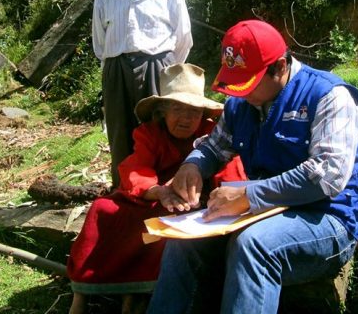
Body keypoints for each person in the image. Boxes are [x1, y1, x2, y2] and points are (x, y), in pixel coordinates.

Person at [147, 20, 358, 314]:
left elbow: (327, 175)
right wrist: (193, 166)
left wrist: (248, 197)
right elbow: (214, 147)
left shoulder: (329, 95)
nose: (240, 93)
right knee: (183, 242)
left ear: (279, 67)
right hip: (260, 213)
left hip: (327, 218)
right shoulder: (240, 105)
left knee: (255, 245)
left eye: (248, 84)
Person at [67, 63, 245, 314]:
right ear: (162, 111)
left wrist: (217, 196)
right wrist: (159, 191)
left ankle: (142, 293)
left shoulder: (212, 134)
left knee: (171, 221)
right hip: (153, 196)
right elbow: (137, 169)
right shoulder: (149, 133)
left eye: (193, 111)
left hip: (196, 205)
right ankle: (83, 292)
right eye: (177, 109)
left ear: (203, 113)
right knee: (103, 208)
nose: (186, 119)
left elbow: (230, 171)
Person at [91, 0, 193, 187]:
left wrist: (166, 72)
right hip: (116, 69)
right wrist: (114, 67)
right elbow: (100, 42)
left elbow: (183, 40)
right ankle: (124, 190)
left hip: (159, 68)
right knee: (120, 131)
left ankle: (162, 189)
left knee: (158, 129)